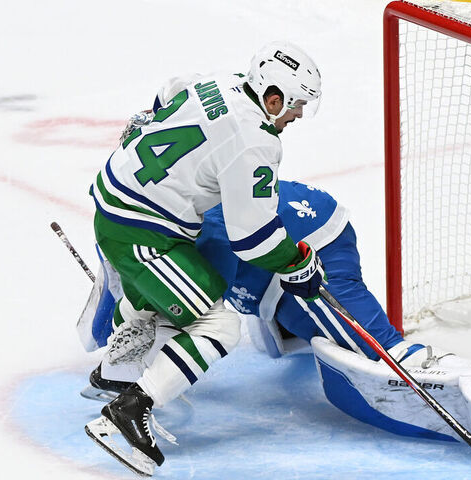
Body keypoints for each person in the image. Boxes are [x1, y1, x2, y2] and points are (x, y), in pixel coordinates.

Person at [80, 180, 471, 470]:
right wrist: (125, 336)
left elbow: (189, 307)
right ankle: (291, 326)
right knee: (228, 317)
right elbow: (124, 293)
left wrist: (136, 337)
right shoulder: (144, 209)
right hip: (267, 267)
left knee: (372, 351)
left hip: (306, 249)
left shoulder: (192, 225)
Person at [83, 42, 324, 476]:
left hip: (117, 197)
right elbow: (254, 239)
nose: (299, 114)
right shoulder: (255, 141)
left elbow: (170, 89)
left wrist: (150, 120)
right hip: (141, 232)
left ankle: (115, 368)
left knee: (188, 289)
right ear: (275, 98)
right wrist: (299, 262)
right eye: (297, 104)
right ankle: (130, 408)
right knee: (219, 323)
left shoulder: (222, 83)